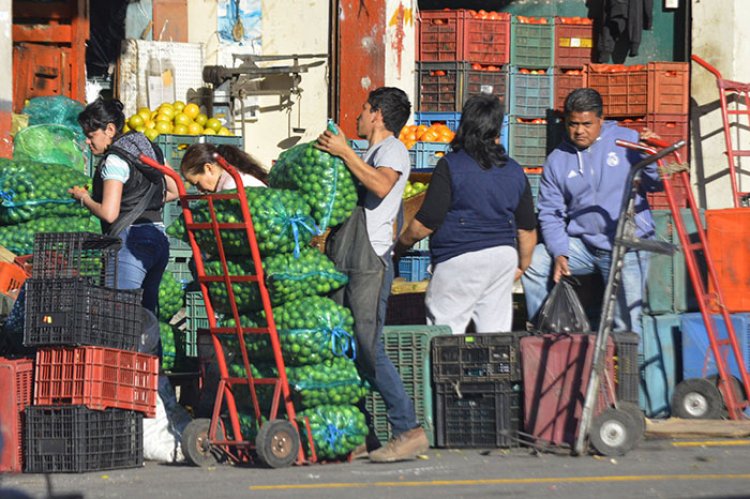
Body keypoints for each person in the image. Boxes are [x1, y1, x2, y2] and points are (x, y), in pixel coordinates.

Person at [316, 87, 428, 463]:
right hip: (350, 259)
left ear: (378, 114)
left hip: (370, 262)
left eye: (363, 110)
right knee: (350, 350)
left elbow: (382, 185)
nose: (358, 117)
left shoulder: (392, 149)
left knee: (369, 347)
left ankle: (407, 430)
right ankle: (362, 434)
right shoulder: (371, 153)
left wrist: (344, 151)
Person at [521, 88, 661, 337]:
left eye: (586, 124)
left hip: (626, 247)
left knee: (626, 326)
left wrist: (651, 157)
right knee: (535, 262)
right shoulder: (558, 160)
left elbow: (656, 184)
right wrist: (560, 252)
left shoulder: (627, 140)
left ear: (601, 119)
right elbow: (550, 212)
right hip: (584, 247)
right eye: (573, 124)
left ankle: (629, 374)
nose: (579, 131)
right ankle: (545, 332)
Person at [396, 94, 537, 335]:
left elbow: (426, 223)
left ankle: (448, 373)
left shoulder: (451, 165)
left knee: (446, 333)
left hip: (459, 258)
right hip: (502, 258)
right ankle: (495, 372)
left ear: (464, 126)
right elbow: (527, 228)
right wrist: (522, 264)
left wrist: (400, 245)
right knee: (495, 334)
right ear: (497, 129)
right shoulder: (514, 170)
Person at [69, 98, 177, 314]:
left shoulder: (114, 161)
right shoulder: (150, 149)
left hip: (131, 242)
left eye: (91, 136)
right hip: (158, 237)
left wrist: (84, 198)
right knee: (146, 318)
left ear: (109, 129)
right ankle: (151, 350)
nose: (89, 143)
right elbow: (173, 191)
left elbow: (109, 214)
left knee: (121, 320)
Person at [180, 143, 268, 192]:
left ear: (208, 168)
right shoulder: (228, 180)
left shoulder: (231, 186)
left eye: (196, 183)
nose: (199, 190)